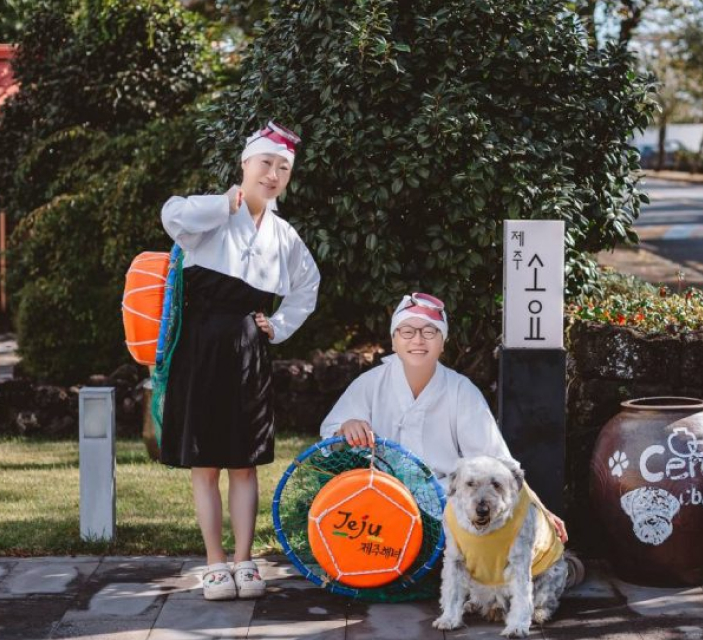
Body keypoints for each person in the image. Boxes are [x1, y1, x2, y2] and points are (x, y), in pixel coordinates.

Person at [159, 121, 320, 601]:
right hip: (200, 347)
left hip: (250, 349)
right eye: (266, 163)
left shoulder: (284, 234)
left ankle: (244, 560)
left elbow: (308, 285)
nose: (273, 174)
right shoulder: (211, 214)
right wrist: (224, 203)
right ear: (245, 164)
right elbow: (171, 214)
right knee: (206, 464)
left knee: (245, 463)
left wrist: (279, 324)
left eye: (283, 168)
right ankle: (214, 563)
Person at [318, 293, 568, 543]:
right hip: (377, 508)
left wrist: (539, 510)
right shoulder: (370, 384)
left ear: (443, 343)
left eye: (429, 332)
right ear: (394, 341)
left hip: (443, 510)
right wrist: (346, 428)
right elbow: (330, 440)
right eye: (407, 331)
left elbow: (497, 461)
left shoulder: (460, 390)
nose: (418, 339)